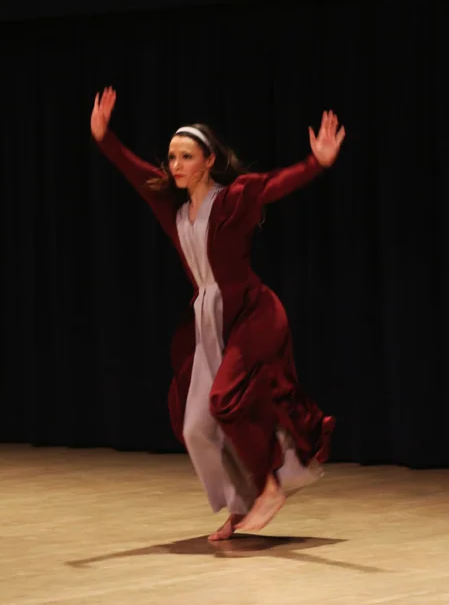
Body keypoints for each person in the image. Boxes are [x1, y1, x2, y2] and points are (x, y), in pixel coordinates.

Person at [90, 86, 345, 541]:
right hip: (209, 319)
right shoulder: (171, 205)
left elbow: (275, 185)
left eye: (186, 156)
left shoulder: (235, 197)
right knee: (195, 429)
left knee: (225, 400)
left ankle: (270, 486)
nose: (175, 165)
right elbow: (132, 171)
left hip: (252, 313)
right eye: (171, 157)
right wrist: (104, 137)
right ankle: (239, 503)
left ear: (209, 160)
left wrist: (317, 163)